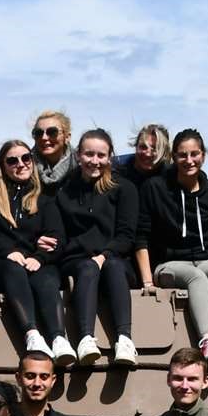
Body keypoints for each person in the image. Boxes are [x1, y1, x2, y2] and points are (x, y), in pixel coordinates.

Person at [137, 129, 208, 371]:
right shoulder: (155, 188)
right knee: (196, 277)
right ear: (173, 157)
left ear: (203, 155)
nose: (189, 161)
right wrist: (147, 281)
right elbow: (142, 237)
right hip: (168, 266)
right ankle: (207, 340)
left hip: (207, 260)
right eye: (182, 155)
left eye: (194, 154)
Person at [0, 139, 76, 363]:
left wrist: (40, 257)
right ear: (3, 166)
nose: (20, 164)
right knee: (13, 269)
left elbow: (57, 237)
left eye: (26, 158)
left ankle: (58, 338)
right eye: (12, 160)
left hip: (35, 263)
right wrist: (8, 251)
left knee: (48, 277)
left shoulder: (45, 199)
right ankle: (32, 334)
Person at [54, 128, 141, 365]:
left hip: (116, 260)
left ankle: (124, 339)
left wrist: (104, 255)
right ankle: (85, 339)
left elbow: (125, 236)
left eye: (101, 155)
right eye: (89, 154)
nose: (95, 161)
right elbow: (60, 235)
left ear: (110, 156)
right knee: (88, 268)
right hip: (76, 260)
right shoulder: (64, 191)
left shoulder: (124, 189)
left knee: (110, 265)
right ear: (79, 155)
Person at [30, 110, 76, 195]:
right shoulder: (25, 169)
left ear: (67, 137)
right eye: (38, 133)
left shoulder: (82, 168)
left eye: (52, 132)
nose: (44, 137)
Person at [115, 124, 173, 189]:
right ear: (136, 146)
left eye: (155, 148)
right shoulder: (118, 173)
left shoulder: (171, 178)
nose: (147, 154)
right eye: (143, 147)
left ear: (164, 152)